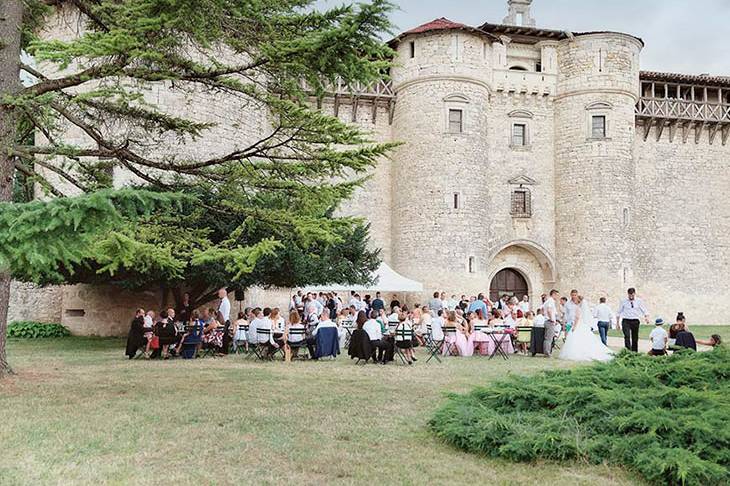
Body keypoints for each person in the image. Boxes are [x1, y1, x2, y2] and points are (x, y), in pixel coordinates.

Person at [559, 295, 613, 362]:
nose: (574, 300)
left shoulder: (577, 308)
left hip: (578, 325)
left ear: (578, 301)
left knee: (576, 339)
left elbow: (577, 318)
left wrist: (574, 327)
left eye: (576, 299)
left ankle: (578, 352)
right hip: (583, 324)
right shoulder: (581, 308)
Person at [617, 287, 650, 352]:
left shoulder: (639, 301)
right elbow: (618, 312)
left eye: (632, 295)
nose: (631, 296)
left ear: (635, 294)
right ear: (628, 294)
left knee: (635, 337)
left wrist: (646, 317)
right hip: (626, 320)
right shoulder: (623, 301)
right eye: (630, 295)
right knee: (627, 336)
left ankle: (634, 352)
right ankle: (628, 351)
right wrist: (617, 323)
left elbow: (644, 310)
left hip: (635, 321)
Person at [542, 289, 559, 356]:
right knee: (549, 338)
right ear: (553, 294)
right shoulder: (551, 301)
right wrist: (552, 319)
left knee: (548, 337)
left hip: (547, 320)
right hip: (549, 321)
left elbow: (543, 309)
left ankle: (547, 351)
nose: (557, 297)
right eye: (557, 295)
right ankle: (547, 352)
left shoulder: (547, 301)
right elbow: (549, 310)